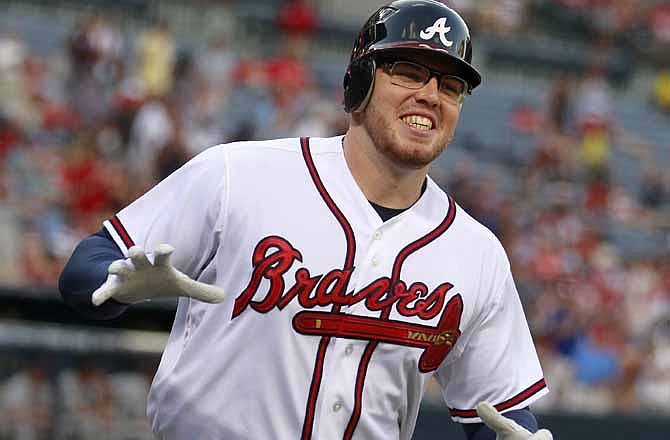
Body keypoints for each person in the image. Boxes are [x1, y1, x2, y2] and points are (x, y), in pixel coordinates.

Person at [59, 1, 554, 439]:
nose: (430, 94)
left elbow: (499, 414)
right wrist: (117, 284)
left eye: (450, 85)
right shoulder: (238, 174)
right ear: (359, 82)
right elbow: (86, 266)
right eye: (407, 71)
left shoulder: (477, 253)